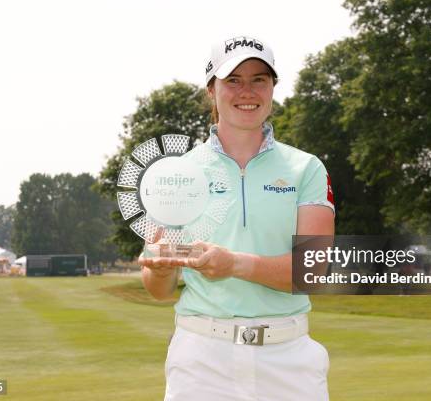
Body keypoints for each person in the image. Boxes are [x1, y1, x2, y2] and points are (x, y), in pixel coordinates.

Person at [138, 36, 335, 400]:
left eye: (259, 79)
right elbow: (159, 290)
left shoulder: (306, 168)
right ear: (212, 90)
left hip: (289, 357)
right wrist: (161, 271)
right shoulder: (176, 173)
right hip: (201, 360)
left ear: (273, 87)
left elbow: (311, 271)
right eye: (233, 80)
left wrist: (233, 264)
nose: (247, 91)